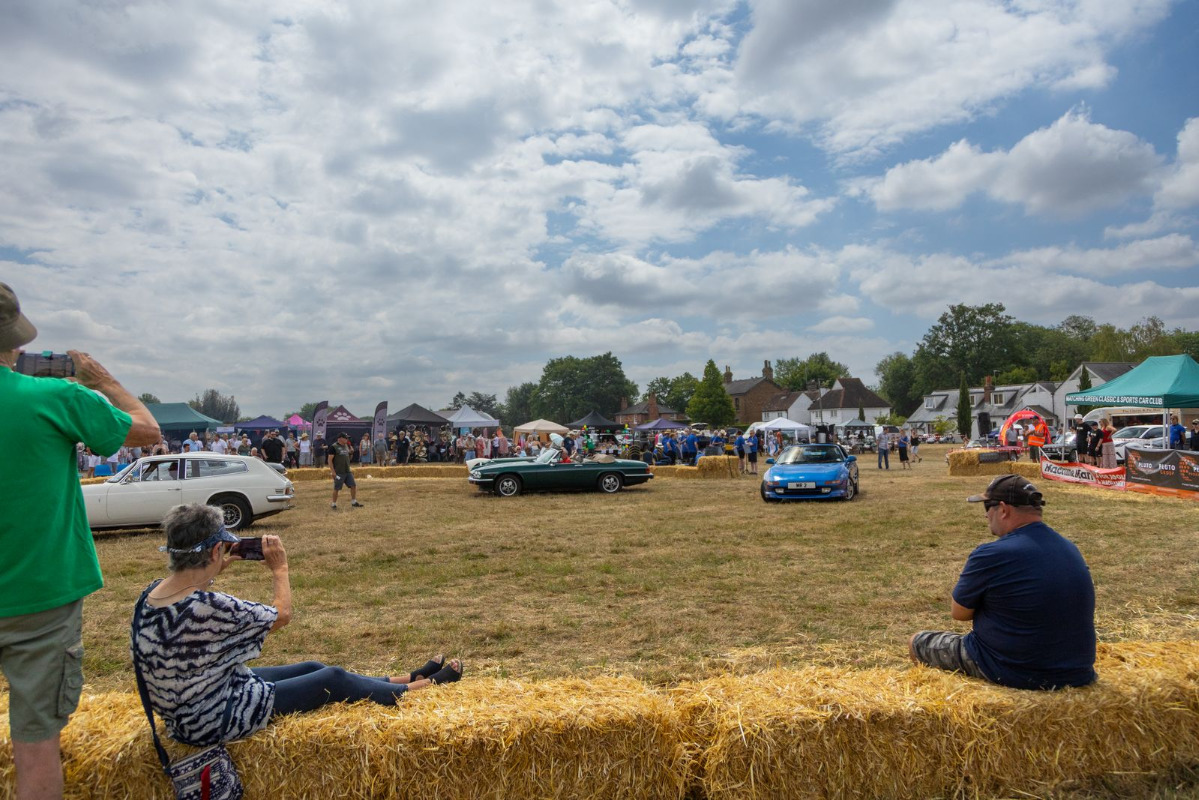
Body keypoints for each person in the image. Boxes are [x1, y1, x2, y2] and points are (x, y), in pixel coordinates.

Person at [1, 281, 160, 799]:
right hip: (39, 594)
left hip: (40, 593)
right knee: (36, 748)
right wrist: (102, 380)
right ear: (15, 342)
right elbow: (147, 430)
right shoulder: (56, 397)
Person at [132, 504, 461, 749]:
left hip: (190, 707)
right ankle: (417, 690)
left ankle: (404, 678)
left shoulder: (151, 594)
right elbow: (282, 615)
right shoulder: (210, 607)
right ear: (217, 549)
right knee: (332, 679)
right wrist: (280, 569)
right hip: (214, 719)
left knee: (312, 668)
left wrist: (213, 570)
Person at [908, 475, 1096, 690]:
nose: (986, 515)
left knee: (917, 642)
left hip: (1014, 670)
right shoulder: (1070, 547)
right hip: (1078, 672)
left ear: (1004, 509)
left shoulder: (991, 554)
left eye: (987, 507)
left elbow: (959, 613)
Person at [328, 432, 363, 509]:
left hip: (347, 471)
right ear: (340, 438)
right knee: (337, 488)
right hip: (339, 472)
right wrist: (333, 472)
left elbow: (348, 458)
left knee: (353, 485)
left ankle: (354, 502)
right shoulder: (334, 447)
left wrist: (351, 453)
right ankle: (333, 504)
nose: (347, 439)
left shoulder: (346, 446)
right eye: (346, 438)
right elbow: (329, 460)